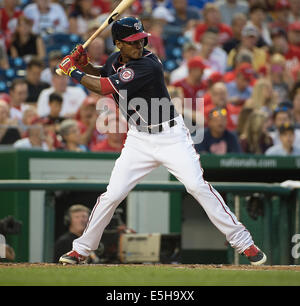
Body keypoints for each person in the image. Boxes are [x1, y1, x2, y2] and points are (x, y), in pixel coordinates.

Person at [57, 15, 266, 266]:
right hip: (138, 139)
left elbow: (103, 87)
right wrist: (85, 64)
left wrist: (72, 70)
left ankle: (244, 242)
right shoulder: (115, 59)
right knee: (112, 195)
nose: (139, 46)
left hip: (170, 137)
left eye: (141, 40)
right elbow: (102, 74)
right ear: (118, 44)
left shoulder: (149, 64)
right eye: (133, 42)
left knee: (197, 186)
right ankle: (80, 250)